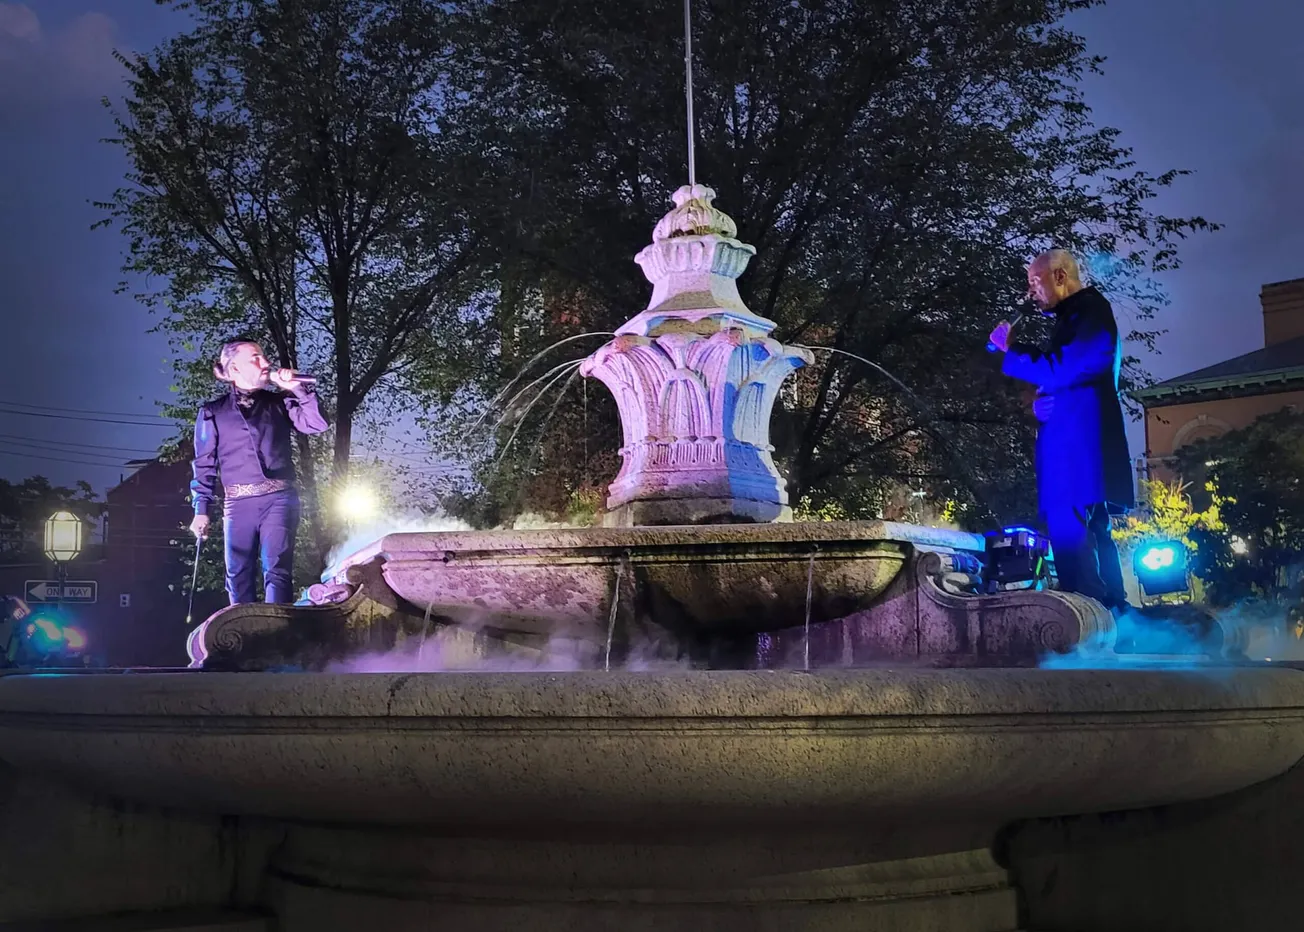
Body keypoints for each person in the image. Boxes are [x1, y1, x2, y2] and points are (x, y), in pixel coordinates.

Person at [988, 249, 1134, 614]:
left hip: (1077, 451)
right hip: (1077, 447)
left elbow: (1061, 369)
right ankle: (1111, 616)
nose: (1030, 292)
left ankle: (1092, 617)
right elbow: (1066, 380)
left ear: (1059, 276)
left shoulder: (1091, 313)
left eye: (1035, 283)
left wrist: (1012, 348)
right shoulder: (1077, 316)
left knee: (1076, 536)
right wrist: (1039, 405)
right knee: (1091, 532)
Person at [189, 340, 329, 605]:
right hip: (238, 504)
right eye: (255, 358)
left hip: (279, 499)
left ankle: (277, 636)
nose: (265, 363)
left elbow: (317, 424)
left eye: (264, 357)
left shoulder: (280, 401)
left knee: (277, 571)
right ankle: (244, 640)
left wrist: (297, 388)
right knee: (237, 574)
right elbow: (204, 465)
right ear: (234, 369)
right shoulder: (212, 412)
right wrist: (201, 510)